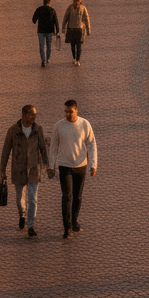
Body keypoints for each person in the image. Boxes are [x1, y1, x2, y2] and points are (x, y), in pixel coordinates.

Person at [47, 99, 98, 239]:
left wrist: (93, 164)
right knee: (67, 196)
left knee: (77, 196)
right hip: (64, 166)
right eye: (66, 112)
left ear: (76, 110)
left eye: (70, 111)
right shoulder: (59, 126)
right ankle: (67, 227)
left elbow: (92, 144)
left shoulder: (85, 124)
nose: (68, 114)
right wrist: (51, 166)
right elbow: (53, 147)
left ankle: (74, 220)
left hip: (81, 166)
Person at [0, 104, 49, 237]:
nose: (34, 117)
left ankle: (31, 225)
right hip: (18, 169)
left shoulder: (38, 129)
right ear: (23, 115)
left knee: (33, 198)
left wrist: (48, 166)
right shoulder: (13, 130)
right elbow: (5, 151)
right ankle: (22, 214)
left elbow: (43, 148)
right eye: (31, 114)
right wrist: (2, 170)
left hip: (34, 169)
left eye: (35, 114)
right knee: (19, 197)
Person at [61, 0, 91, 67]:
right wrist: (63, 27)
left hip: (79, 29)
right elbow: (66, 17)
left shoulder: (83, 8)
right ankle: (75, 58)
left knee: (78, 45)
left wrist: (88, 30)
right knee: (73, 45)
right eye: (76, 0)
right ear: (74, 0)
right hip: (72, 29)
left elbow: (87, 19)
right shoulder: (70, 8)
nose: (78, 1)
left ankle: (77, 60)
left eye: (79, 0)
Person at [32, 0, 59, 67]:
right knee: (48, 46)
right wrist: (57, 31)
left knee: (41, 46)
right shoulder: (52, 10)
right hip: (50, 31)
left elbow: (33, 20)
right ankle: (47, 59)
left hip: (41, 31)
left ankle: (43, 60)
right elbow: (56, 21)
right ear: (49, 3)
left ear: (43, 2)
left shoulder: (39, 9)